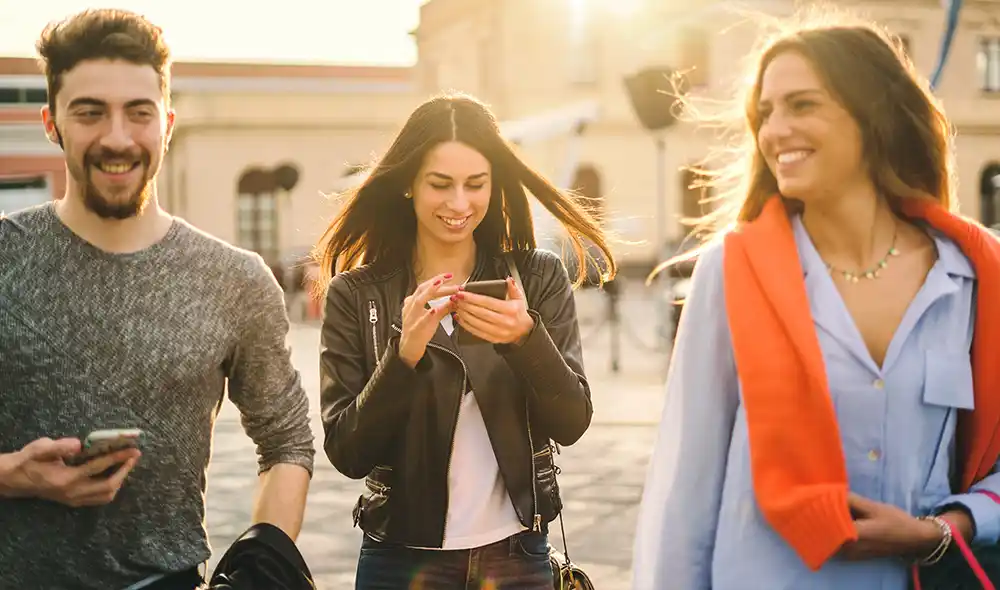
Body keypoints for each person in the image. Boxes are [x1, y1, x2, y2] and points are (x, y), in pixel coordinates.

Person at [632, 14, 1000, 590]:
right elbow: (687, 497)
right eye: (766, 112)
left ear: (871, 113)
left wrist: (945, 530)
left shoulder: (978, 278)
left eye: (802, 105)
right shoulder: (730, 273)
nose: (774, 131)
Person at [0, 9, 314, 589]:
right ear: (52, 123)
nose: (117, 137)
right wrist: (14, 476)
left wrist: (260, 571)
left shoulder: (235, 280)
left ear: (166, 123)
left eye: (138, 113)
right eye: (90, 112)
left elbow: (288, 439)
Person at [315, 92, 615, 589]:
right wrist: (401, 356)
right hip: (399, 561)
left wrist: (526, 339)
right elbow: (348, 453)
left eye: (476, 184)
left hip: (519, 556)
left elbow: (572, 422)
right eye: (440, 184)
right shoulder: (357, 295)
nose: (459, 204)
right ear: (409, 184)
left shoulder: (537, 278)